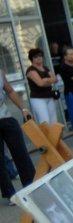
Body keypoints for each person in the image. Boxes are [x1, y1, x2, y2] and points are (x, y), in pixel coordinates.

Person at [0, 70, 35, 205]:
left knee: (21, 153)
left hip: (6, 117)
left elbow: (9, 91)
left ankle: (31, 186)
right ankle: (10, 194)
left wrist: (23, 109)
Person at [25, 48, 59, 125]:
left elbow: (55, 79)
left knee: (54, 121)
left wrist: (45, 80)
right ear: (31, 59)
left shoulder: (45, 68)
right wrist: (49, 80)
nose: (39, 58)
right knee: (45, 120)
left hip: (49, 97)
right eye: (36, 56)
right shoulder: (30, 70)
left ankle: (54, 137)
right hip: (38, 99)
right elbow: (40, 83)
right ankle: (45, 137)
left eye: (40, 56)